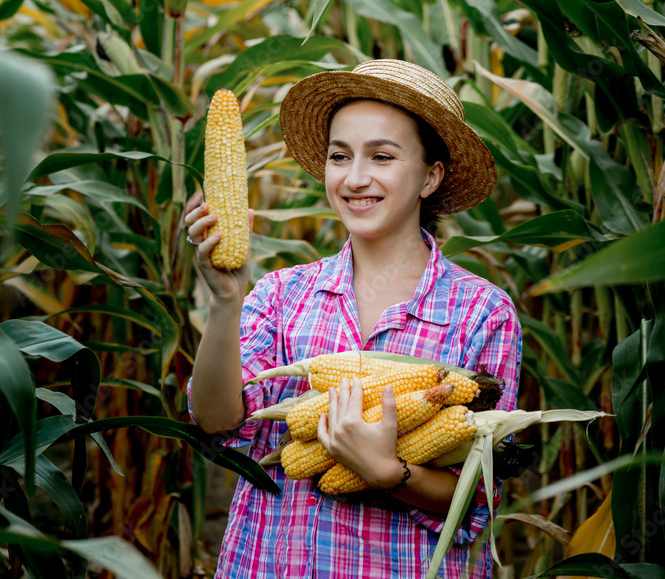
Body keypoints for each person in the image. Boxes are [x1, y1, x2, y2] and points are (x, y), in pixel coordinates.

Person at [182, 59, 523, 578]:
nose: (355, 178)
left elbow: (477, 493)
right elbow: (217, 421)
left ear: (431, 176)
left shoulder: (482, 312)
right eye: (340, 156)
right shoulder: (281, 294)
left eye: (382, 156)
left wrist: (388, 471)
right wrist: (226, 300)